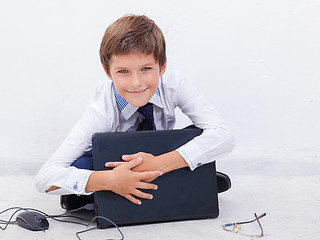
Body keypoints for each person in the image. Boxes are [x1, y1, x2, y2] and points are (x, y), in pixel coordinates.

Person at [35, 14, 236, 210]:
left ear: (162, 66)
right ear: (108, 72)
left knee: (197, 134)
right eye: (123, 71)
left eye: (146, 68)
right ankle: (95, 192)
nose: (136, 83)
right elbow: (45, 178)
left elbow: (224, 137)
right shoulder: (101, 110)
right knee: (82, 163)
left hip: (157, 153)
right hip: (114, 164)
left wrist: (160, 163)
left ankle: (178, 177)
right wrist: (109, 180)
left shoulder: (175, 83)